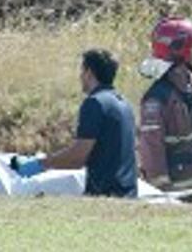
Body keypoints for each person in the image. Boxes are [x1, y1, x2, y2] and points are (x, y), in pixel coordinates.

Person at [12, 49, 137, 198]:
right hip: (128, 195)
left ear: (89, 72)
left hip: (105, 195)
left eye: (81, 71)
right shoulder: (124, 104)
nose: (80, 77)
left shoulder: (95, 103)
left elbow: (77, 157)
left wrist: (39, 164)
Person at [137, 16, 192, 197]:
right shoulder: (157, 100)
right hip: (176, 195)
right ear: (180, 49)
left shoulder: (189, 92)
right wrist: (161, 193)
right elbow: (151, 150)